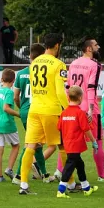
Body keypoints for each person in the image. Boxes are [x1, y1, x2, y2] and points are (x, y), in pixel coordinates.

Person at [19, 33, 69, 195]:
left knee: (30, 147)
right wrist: (68, 108)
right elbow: (61, 92)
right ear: (56, 46)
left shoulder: (34, 63)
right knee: (62, 146)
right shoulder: (59, 64)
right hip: (51, 110)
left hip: (34, 109)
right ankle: (70, 182)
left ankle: (24, 185)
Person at [13, 43, 53, 184]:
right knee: (32, 144)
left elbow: (15, 96)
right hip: (40, 109)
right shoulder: (44, 71)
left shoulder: (21, 73)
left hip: (25, 110)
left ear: (30, 55)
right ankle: (18, 176)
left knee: (36, 144)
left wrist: (21, 107)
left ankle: (44, 174)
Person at [67, 37, 104, 181]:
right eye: (96, 45)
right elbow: (91, 88)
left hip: (74, 108)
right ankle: (102, 175)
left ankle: (60, 171)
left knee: (70, 142)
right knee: (97, 141)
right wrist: (90, 109)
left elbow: (68, 87)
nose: (98, 47)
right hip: (90, 110)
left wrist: (69, 105)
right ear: (89, 48)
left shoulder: (73, 63)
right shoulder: (94, 65)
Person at [56, 86, 99, 198]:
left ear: (68, 97)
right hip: (76, 143)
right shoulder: (80, 113)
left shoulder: (64, 113)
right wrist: (94, 141)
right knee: (70, 166)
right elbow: (86, 129)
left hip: (67, 143)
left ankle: (86, 187)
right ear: (80, 98)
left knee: (80, 164)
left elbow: (59, 127)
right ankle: (61, 190)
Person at [0, 69, 20, 182]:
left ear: (2, 79)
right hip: (7, 123)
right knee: (16, 145)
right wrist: (19, 114)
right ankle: (9, 169)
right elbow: (6, 108)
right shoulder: (9, 92)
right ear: (13, 81)